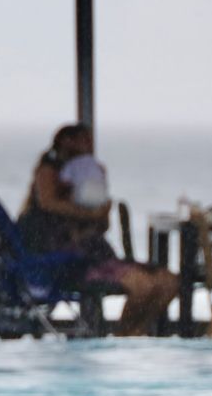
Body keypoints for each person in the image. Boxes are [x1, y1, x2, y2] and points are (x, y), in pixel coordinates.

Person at [16, 123, 178, 337]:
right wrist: (90, 215)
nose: (90, 146)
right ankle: (124, 336)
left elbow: (102, 226)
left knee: (169, 282)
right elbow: (49, 202)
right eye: (84, 140)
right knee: (143, 285)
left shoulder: (89, 178)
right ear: (67, 142)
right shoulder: (49, 177)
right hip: (70, 262)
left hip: (96, 253)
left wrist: (100, 214)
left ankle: (134, 332)